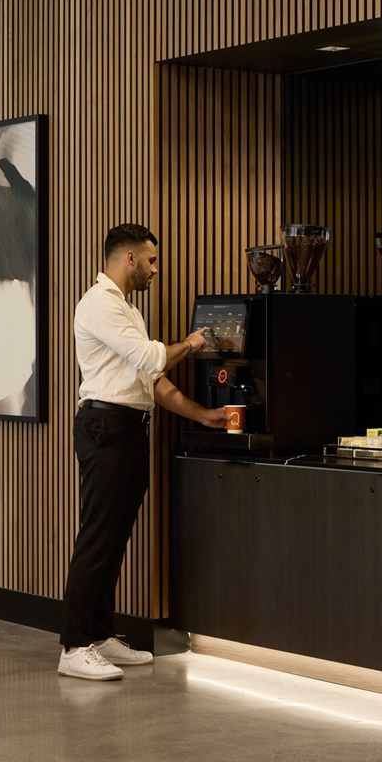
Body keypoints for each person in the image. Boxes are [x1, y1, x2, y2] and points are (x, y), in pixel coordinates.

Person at [59, 223, 227, 681]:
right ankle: (74, 646)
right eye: (151, 261)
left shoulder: (127, 310)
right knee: (97, 536)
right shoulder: (99, 306)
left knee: (115, 538)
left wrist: (202, 415)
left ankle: (99, 634)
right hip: (104, 426)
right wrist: (196, 341)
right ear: (129, 258)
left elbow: (152, 382)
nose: (156, 269)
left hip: (131, 427)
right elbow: (155, 359)